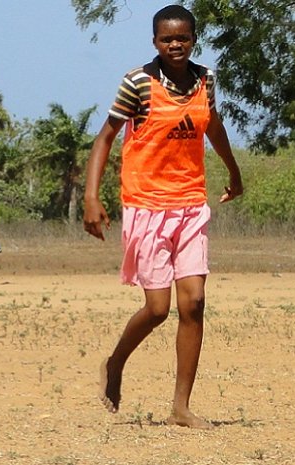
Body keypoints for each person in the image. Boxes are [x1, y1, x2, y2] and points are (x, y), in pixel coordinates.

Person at [82, 5, 243, 429]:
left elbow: (213, 126)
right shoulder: (138, 82)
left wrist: (234, 171)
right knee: (157, 308)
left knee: (194, 303)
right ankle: (115, 363)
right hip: (146, 205)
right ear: (155, 41)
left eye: (183, 38)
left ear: (194, 39)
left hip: (190, 203)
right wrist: (91, 197)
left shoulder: (205, 78)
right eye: (167, 39)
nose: (175, 45)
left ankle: (181, 407)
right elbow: (104, 139)